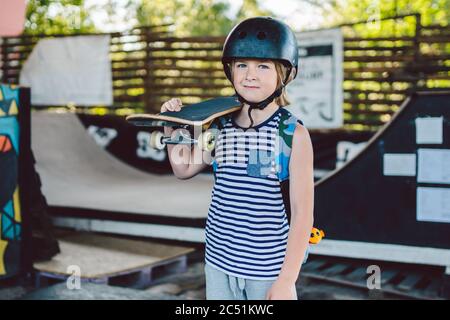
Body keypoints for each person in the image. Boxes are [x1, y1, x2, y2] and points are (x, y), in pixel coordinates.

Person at [160, 16, 314, 300]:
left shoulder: (293, 135)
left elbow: (303, 215)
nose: (250, 75)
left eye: (263, 66)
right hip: (218, 264)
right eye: (241, 64)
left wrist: (286, 280)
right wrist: (175, 125)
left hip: (267, 270)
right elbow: (184, 168)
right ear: (230, 69)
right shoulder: (219, 126)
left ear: (284, 74)